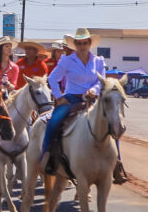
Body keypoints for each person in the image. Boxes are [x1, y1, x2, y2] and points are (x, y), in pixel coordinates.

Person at [42, 28, 123, 180]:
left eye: (85, 43)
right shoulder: (66, 60)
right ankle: (49, 157)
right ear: (75, 45)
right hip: (72, 99)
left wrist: (93, 90)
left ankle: (117, 163)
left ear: (90, 43)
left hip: (94, 100)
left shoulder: (98, 61)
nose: (82, 46)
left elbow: (102, 81)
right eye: (79, 43)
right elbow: (53, 79)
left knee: (113, 124)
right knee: (53, 122)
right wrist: (60, 97)